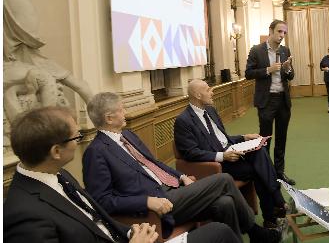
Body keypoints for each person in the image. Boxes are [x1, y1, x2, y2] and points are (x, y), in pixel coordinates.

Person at [82, 92, 279, 243]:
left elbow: (155, 164)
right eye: (121, 109)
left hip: (173, 189)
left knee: (226, 203)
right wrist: (146, 201)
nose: (125, 113)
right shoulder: (96, 152)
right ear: (108, 118)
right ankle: (255, 232)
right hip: (158, 204)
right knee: (224, 180)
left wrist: (181, 175)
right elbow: (101, 200)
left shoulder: (128, 136)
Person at [4, 106, 154, 243]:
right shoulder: (24, 216)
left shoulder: (59, 173)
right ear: (56, 151)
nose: (78, 142)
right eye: (77, 137)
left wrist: (130, 232)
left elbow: (99, 222)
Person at [174, 79, 287, 228]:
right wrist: (222, 156)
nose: (212, 92)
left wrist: (244, 137)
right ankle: (276, 205)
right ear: (197, 95)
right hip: (217, 165)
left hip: (231, 153)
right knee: (258, 169)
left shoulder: (210, 111)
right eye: (208, 90)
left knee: (259, 151)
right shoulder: (183, 121)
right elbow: (191, 153)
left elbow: (223, 139)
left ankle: (273, 211)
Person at [245, 19, 295, 185]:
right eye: (279, 32)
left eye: (284, 33)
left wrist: (287, 68)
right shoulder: (256, 50)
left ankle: (279, 173)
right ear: (271, 31)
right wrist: (268, 70)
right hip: (266, 101)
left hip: (283, 100)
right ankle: (266, 175)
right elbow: (248, 73)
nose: (282, 35)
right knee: (266, 139)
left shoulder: (285, 50)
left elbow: (290, 76)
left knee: (281, 139)